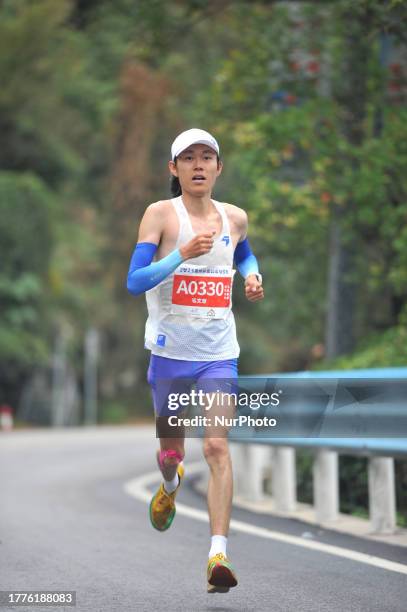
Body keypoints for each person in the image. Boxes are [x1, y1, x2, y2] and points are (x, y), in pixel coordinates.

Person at [127, 128, 264, 593]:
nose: (199, 165)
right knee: (172, 453)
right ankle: (170, 482)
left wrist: (252, 275)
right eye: (189, 158)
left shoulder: (235, 218)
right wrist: (180, 256)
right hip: (168, 354)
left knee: (216, 448)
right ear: (174, 169)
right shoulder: (161, 215)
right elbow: (134, 280)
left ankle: (218, 555)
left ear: (219, 168)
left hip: (217, 355)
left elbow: (243, 253)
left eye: (208, 157)